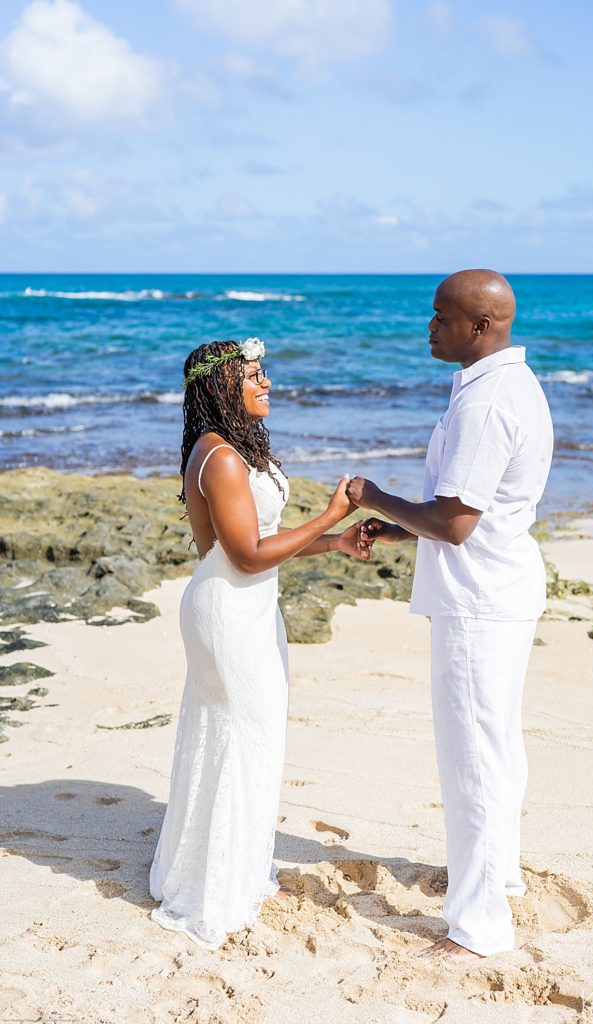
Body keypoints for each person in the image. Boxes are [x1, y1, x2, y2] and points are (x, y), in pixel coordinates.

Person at [346, 270, 554, 960]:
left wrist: (372, 496)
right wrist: (411, 529)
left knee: (471, 759)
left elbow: (456, 521)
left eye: (439, 317)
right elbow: (468, 510)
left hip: (478, 600)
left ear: (478, 327)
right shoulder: (502, 386)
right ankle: (501, 879)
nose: (428, 327)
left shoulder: (487, 402)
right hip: (496, 588)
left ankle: (478, 926)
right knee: (494, 747)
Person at [149, 336, 368, 950]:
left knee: (238, 737)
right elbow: (244, 556)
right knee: (240, 738)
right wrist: (329, 517)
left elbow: (260, 540)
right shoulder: (218, 457)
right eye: (252, 375)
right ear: (221, 387)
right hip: (229, 608)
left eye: (264, 373)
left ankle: (226, 867)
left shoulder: (228, 447)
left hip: (247, 605)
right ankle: (215, 887)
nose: (265, 383)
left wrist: (335, 544)